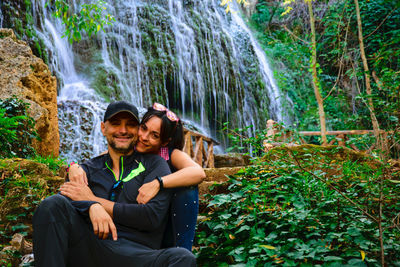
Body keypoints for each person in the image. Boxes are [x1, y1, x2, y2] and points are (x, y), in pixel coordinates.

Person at [32, 101, 196, 266]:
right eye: (116, 124)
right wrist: (91, 205)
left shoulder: (156, 164)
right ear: (103, 128)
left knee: (183, 258)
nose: (123, 130)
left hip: (138, 256)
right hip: (91, 248)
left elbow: (151, 216)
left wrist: (97, 202)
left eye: (130, 125)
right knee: (51, 205)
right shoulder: (88, 168)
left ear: (135, 129)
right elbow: (65, 201)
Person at [69, 102, 206, 251]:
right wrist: (74, 166)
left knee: (187, 190)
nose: (144, 137)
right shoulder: (129, 147)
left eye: (154, 135)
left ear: (164, 141)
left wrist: (158, 183)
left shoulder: (170, 154)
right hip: (137, 223)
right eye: (144, 128)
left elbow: (198, 173)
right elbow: (96, 162)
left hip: (166, 215)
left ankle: (183, 249)